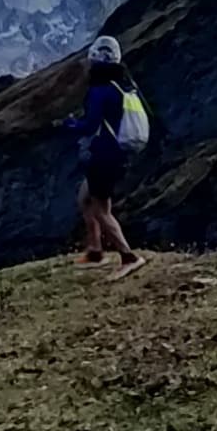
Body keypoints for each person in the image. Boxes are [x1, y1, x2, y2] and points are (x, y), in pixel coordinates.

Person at [64, 36, 148, 278]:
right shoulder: (123, 85)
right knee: (85, 198)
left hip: (105, 155)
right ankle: (95, 250)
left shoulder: (99, 91)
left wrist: (69, 124)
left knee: (101, 209)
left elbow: (89, 126)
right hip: (116, 154)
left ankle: (128, 256)